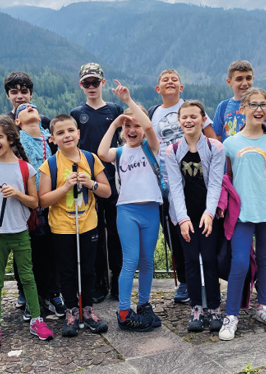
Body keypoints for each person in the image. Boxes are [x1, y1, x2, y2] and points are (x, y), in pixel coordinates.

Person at [0, 115, 54, 350]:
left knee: (28, 277)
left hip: (20, 232)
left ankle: (37, 320)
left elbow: (34, 203)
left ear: (11, 139)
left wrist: (16, 194)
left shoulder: (25, 168)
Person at [220, 88, 266, 341]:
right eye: (254, 105)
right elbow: (227, 179)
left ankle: (263, 306)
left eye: (264, 105)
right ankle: (231, 315)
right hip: (241, 212)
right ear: (243, 108)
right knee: (240, 263)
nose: (259, 109)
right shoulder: (230, 143)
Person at [39, 114, 112, 337]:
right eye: (60, 133)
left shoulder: (90, 159)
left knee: (88, 269)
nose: (66, 136)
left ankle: (87, 309)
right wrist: (64, 187)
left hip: (88, 224)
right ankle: (72, 309)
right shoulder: (49, 165)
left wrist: (90, 183)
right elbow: (43, 201)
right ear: (52, 139)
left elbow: (107, 191)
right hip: (61, 227)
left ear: (78, 133)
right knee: (67, 271)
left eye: (70, 131)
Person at [97, 81, 162, 331]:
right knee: (131, 260)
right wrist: (115, 122)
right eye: (128, 126)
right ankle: (124, 311)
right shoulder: (120, 152)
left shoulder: (151, 147)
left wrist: (129, 102)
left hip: (150, 210)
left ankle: (144, 304)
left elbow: (148, 124)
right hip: (127, 211)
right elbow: (102, 153)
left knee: (147, 261)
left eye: (136, 125)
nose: (133, 129)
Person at [149, 69, 215, 304]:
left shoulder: (192, 109)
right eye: (164, 80)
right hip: (166, 183)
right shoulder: (153, 113)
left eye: (174, 79)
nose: (169, 82)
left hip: (198, 182)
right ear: (158, 89)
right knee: (175, 234)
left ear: (181, 87)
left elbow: (212, 138)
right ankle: (186, 282)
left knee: (204, 232)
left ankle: (206, 282)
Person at [165, 100, 224, 332]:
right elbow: (175, 188)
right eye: (184, 117)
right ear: (179, 122)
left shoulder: (215, 147)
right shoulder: (173, 150)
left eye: (193, 116)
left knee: (209, 258)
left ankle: (214, 306)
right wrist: (182, 219)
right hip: (184, 213)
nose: (188, 121)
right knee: (190, 260)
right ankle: (196, 307)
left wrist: (209, 214)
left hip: (207, 213)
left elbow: (216, 183)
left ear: (202, 119)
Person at [70, 63, 123, 303]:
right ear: (81, 85)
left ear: (103, 83)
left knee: (115, 232)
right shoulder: (75, 113)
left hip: (112, 181)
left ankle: (118, 282)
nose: (91, 87)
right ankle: (99, 282)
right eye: (86, 83)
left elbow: (124, 142)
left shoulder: (114, 109)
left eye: (95, 82)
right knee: (94, 235)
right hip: (87, 181)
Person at [15, 103, 66, 320]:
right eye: (23, 109)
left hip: (53, 202)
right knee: (31, 254)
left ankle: (54, 293)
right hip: (27, 205)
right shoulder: (16, 144)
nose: (29, 107)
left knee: (53, 252)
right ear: (17, 122)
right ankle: (32, 297)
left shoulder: (52, 139)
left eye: (32, 106)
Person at [212, 60, 266, 141]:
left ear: (253, 79)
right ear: (229, 82)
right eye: (239, 79)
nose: (245, 83)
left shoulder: (263, 105)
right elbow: (217, 139)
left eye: (248, 78)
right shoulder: (223, 107)